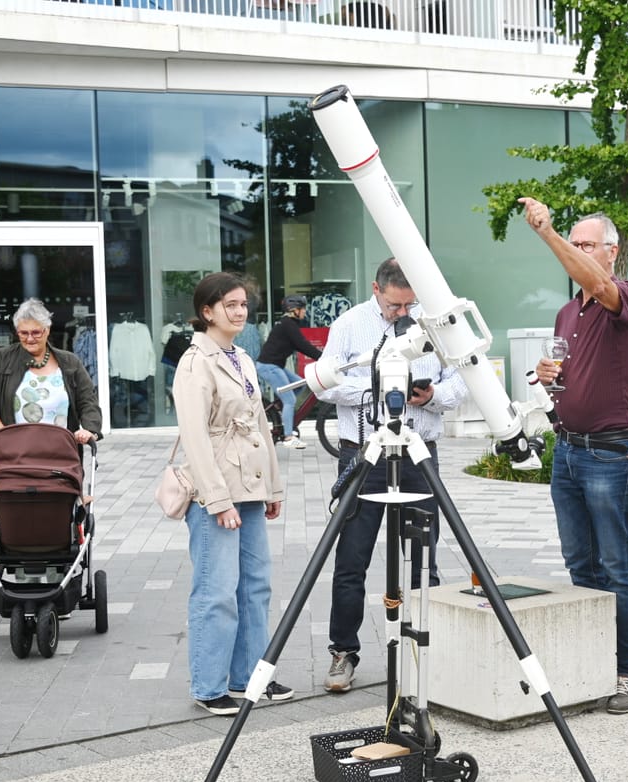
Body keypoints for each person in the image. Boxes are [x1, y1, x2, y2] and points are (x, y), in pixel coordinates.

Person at [519, 197, 628, 715]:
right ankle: (593, 661)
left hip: (612, 454)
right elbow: (567, 371)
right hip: (568, 452)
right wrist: (552, 377)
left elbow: (597, 284)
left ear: (612, 252)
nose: (577, 252)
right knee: (580, 563)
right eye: (573, 244)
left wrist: (547, 234)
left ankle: (626, 670)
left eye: (586, 244)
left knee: (617, 565)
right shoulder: (567, 311)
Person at [316, 258, 468, 693]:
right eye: (395, 305)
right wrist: (375, 390)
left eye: (409, 305)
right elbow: (323, 383)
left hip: (418, 453)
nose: (403, 314)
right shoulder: (349, 324)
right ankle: (343, 651)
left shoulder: (434, 324)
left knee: (424, 560)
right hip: (365, 452)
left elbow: (461, 380)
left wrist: (431, 395)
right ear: (376, 289)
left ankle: (425, 653)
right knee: (351, 560)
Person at [171, 272, 294, 716]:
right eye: (230, 305)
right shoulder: (194, 363)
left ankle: (249, 677)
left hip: (251, 487)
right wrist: (218, 501)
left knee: (255, 587)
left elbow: (261, 425)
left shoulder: (240, 355)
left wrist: (272, 487)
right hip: (215, 495)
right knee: (217, 590)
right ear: (207, 312)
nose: (240, 312)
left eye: (243, 304)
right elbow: (195, 438)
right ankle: (208, 685)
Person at [0, 298, 101, 446]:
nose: (30, 338)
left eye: (36, 332)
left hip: (61, 452)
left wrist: (90, 430)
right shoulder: (2, 358)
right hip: (13, 452)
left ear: (47, 330)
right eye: (23, 333)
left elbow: (88, 401)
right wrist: (3, 434)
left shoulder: (70, 362)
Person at [255, 294, 323, 449]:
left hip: (274, 365)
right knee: (290, 400)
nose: (305, 312)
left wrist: (320, 357)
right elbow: (303, 345)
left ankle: (278, 410)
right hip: (268, 367)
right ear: (294, 310)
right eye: (303, 309)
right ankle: (288, 437)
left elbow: (300, 345)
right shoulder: (288, 325)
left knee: (300, 384)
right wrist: (322, 357)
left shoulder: (288, 324)